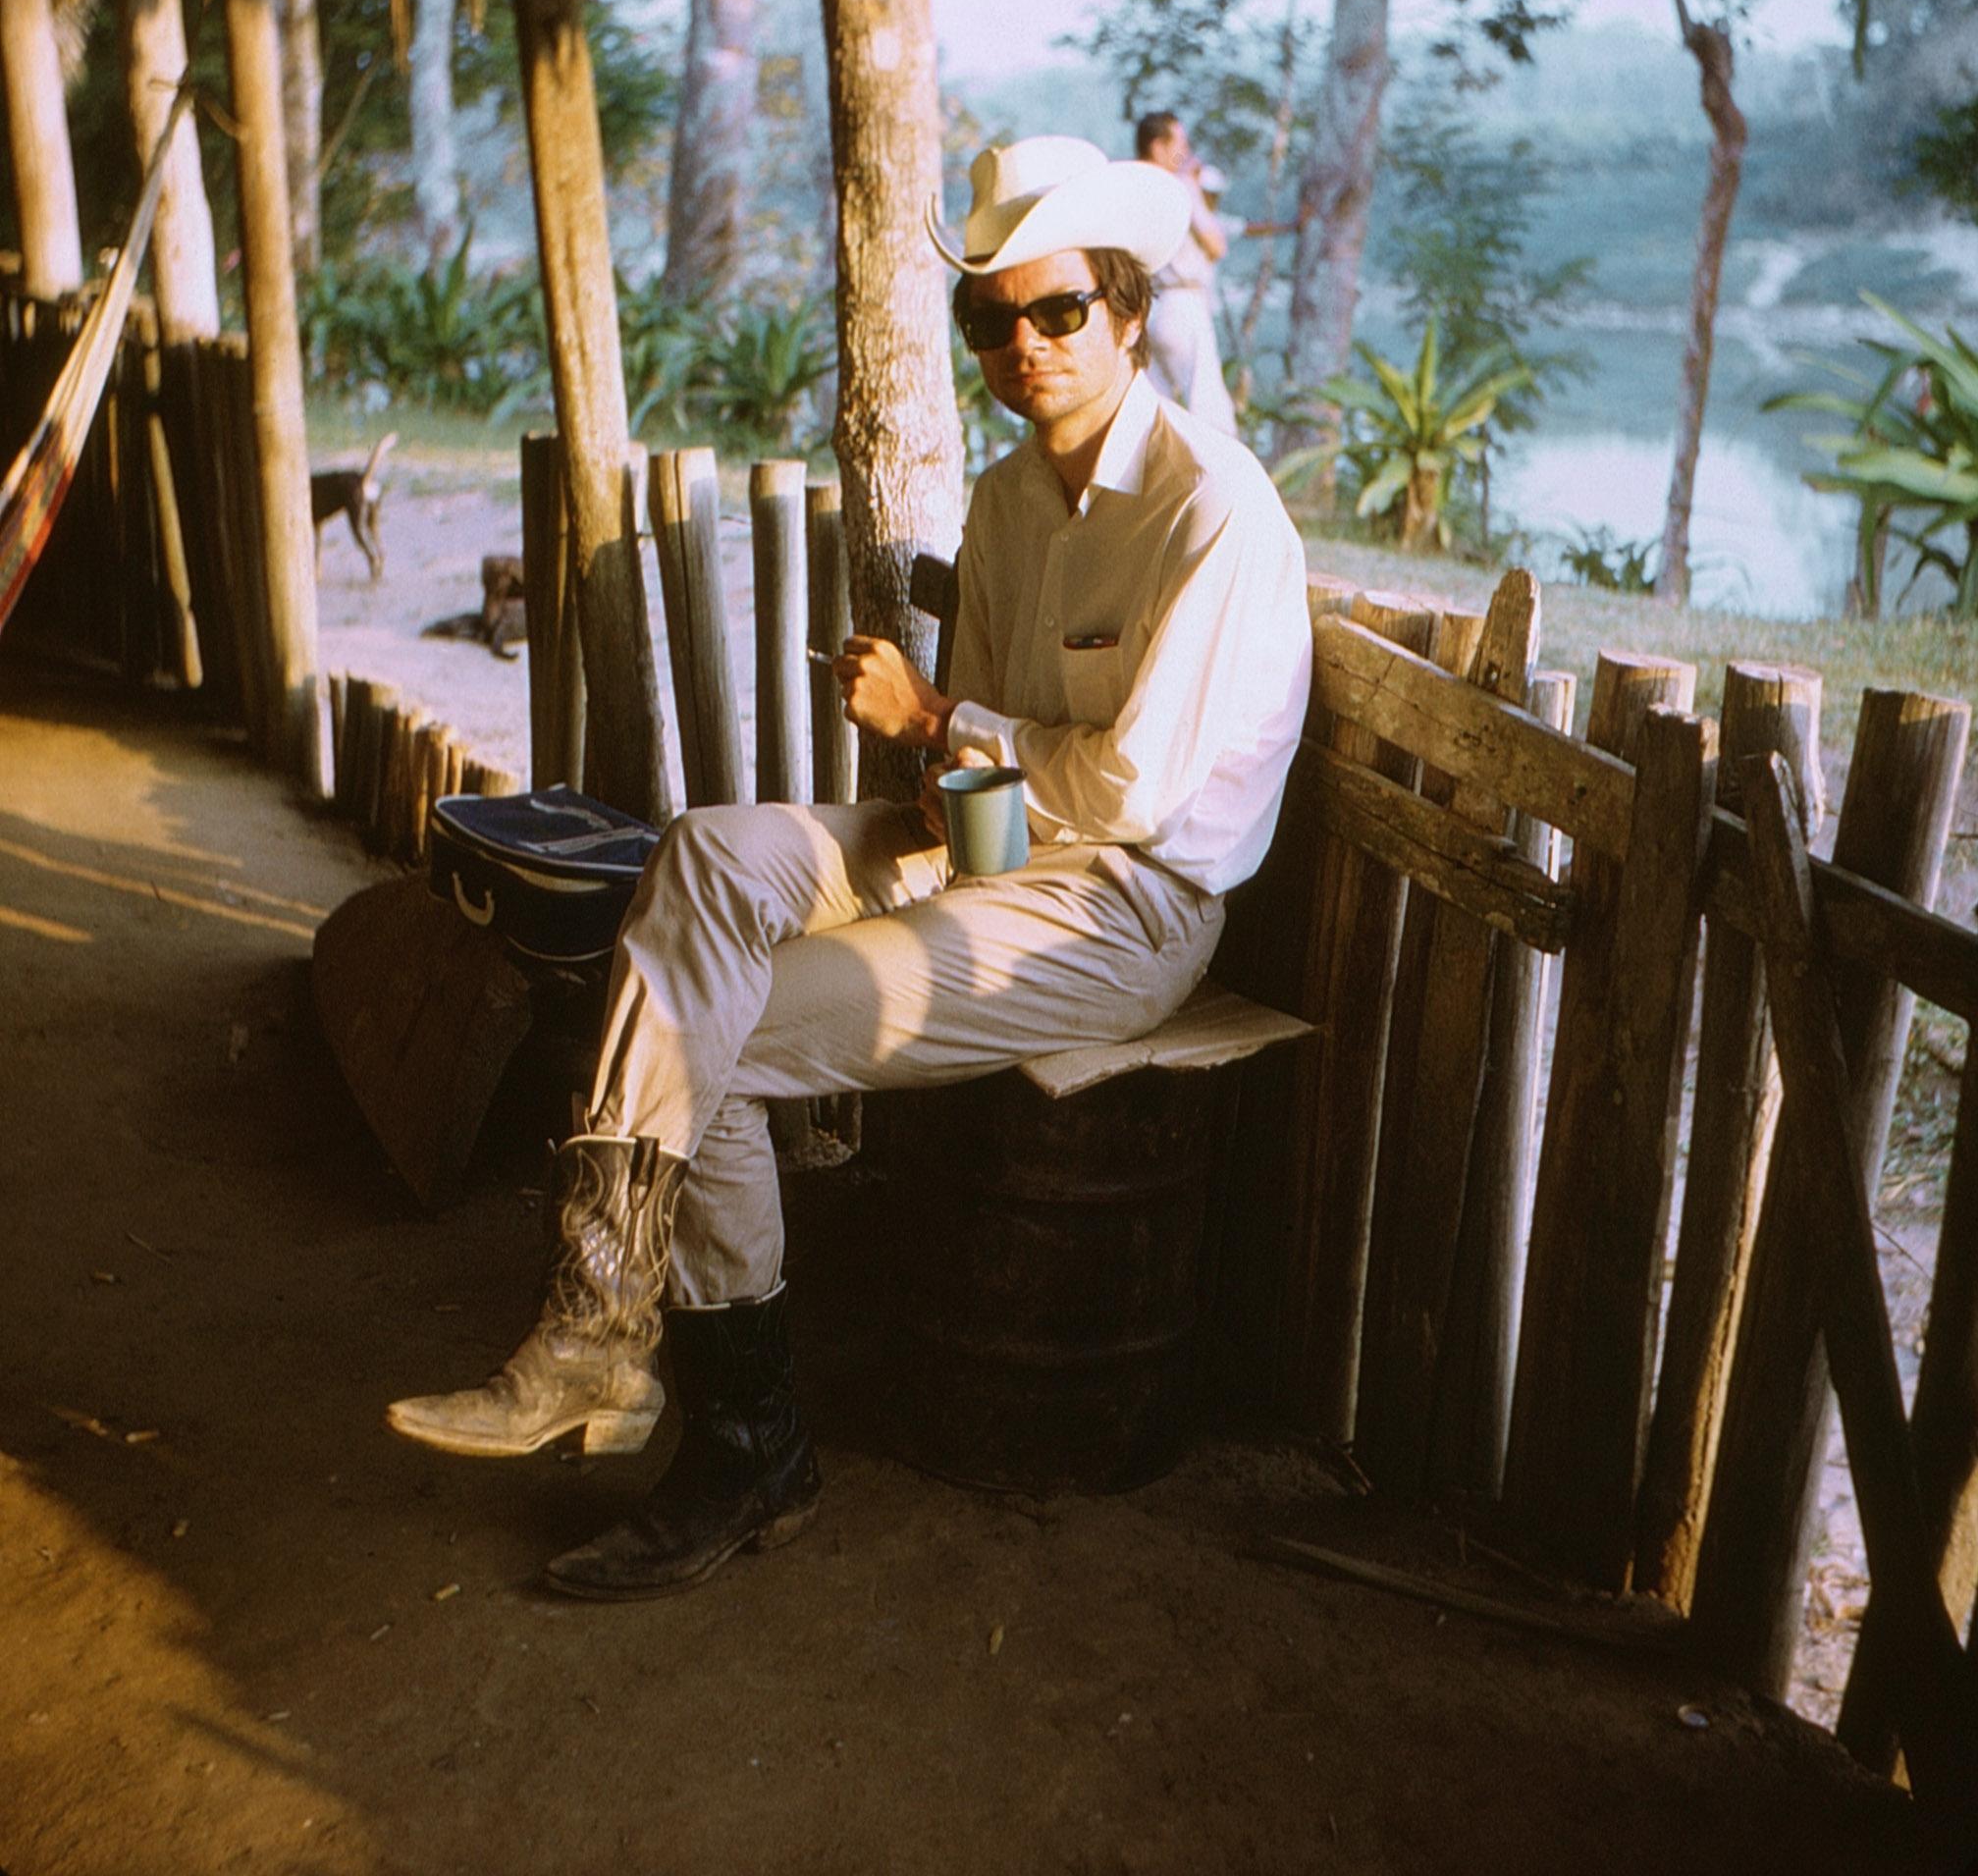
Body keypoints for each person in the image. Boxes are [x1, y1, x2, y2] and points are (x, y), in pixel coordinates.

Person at [385, 133, 1313, 1603]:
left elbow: (1130, 793)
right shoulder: (1012, 506)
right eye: (987, 320)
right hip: (1003, 856)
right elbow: (989, 801)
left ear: (1128, 313)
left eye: (1057, 311)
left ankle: (741, 1444)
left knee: (723, 1039)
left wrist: (937, 719)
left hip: (1132, 907)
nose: (1022, 347)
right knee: (702, 853)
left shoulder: (1209, 513)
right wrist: (947, 801)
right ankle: (597, 1330)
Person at [1134, 112, 1238, 434]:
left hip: (1150, 308)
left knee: (1154, 409)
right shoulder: (1179, 186)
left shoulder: (1133, 186)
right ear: (1158, 147)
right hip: (1183, 304)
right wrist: (1193, 185)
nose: (1187, 151)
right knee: (1210, 412)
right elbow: (1215, 244)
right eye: (1181, 143)